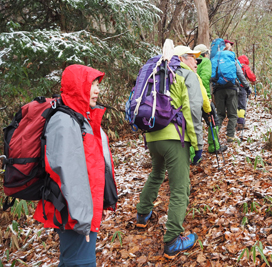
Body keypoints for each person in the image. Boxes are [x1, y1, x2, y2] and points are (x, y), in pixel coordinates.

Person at [33, 64, 118, 267]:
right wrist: (82, 220)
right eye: (91, 85)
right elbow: (68, 174)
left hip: (82, 211)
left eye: (97, 85)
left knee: (73, 262)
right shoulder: (64, 121)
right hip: (74, 215)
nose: (97, 90)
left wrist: (104, 201)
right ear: (77, 87)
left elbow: (94, 166)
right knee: (80, 263)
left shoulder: (82, 118)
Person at [135, 45, 204, 259]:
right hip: (174, 137)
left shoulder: (157, 72)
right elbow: (192, 110)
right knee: (180, 187)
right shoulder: (185, 75)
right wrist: (198, 144)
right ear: (182, 58)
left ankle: (142, 214)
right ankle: (173, 240)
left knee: (156, 173)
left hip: (152, 135)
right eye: (193, 58)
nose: (196, 62)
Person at [212, 39, 251, 143]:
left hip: (218, 89)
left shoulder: (215, 58)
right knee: (232, 114)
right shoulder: (232, 57)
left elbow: (211, 75)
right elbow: (240, 74)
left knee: (220, 114)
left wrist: (212, 89)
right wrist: (247, 87)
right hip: (231, 88)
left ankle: (214, 136)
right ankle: (230, 136)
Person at [193, 44, 227, 154]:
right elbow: (204, 79)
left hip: (192, 98)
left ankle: (193, 152)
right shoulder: (205, 62)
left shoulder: (191, 62)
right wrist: (207, 97)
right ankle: (214, 147)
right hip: (203, 98)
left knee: (194, 125)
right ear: (205, 54)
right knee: (213, 122)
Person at [237, 55, 257, 130]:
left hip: (233, 87)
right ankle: (241, 123)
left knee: (236, 105)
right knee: (242, 106)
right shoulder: (245, 67)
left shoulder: (235, 64)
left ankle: (236, 121)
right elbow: (251, 77)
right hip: (242, 87)